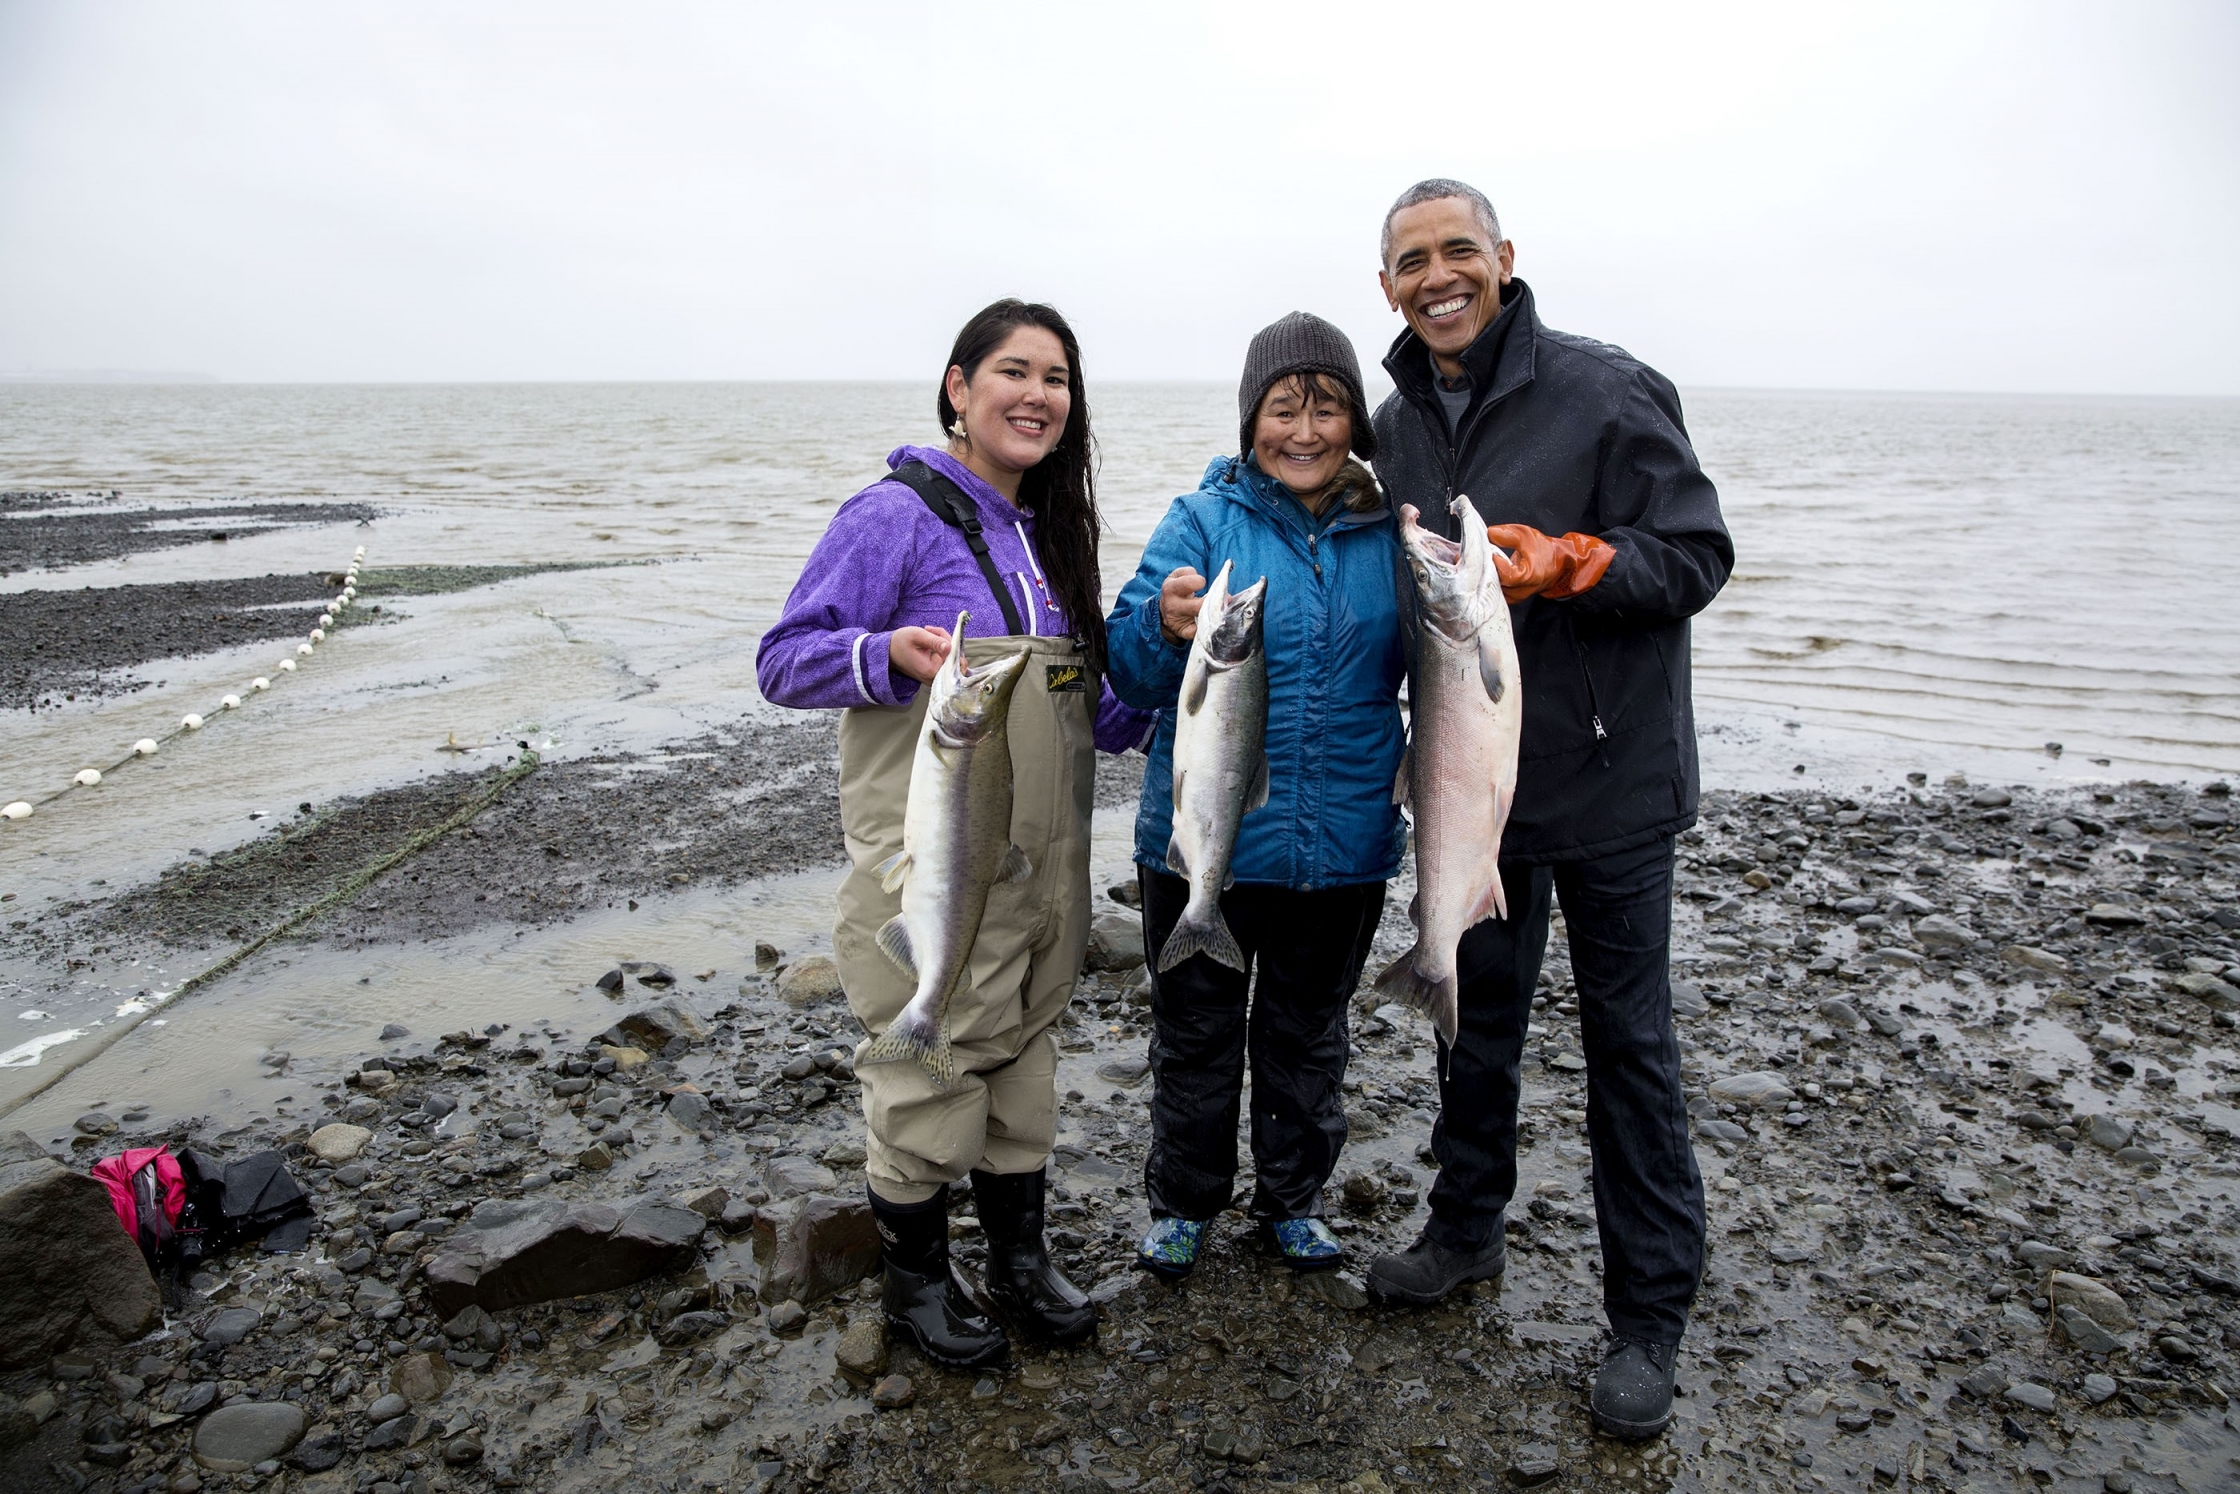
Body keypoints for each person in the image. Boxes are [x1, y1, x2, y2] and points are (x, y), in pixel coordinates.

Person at [1362, 179, 1734, 1441]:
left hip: (1615, 783)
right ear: (1387, 287)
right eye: (1411, 260)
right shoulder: (1392, 424)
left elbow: (1693, 553)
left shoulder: (1605, 388)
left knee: (1630, 1049)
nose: (1436, 275)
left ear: (1504, 259)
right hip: (1479, 789)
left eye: (1456, 249)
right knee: (1471, 1025)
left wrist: (1573, 563)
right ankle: (1462, 1231)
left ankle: (1648, 1315)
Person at [757, 299, 1153, 1368]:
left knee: (1023, 1068)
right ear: (956, 387)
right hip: (930, 871)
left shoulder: (1053, 535)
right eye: (1013, 372)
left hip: (1041, 880)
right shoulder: (892, 516)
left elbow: (1102, 719)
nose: (1037, 396)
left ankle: (1019, 1264)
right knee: (924, 1077)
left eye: (1056, 379)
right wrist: (887, 651)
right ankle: (914, 1290)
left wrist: (1177, 664)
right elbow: (782, 659)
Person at [1106, 312, 1406, 1279]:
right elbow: (1131, 670)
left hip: (1344, 845)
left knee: (1307, 1035)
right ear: (1251, 422)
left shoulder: (1393, 535)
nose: (1306, 432)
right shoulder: (1201, 521)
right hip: (1198, 847)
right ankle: (1184, 1202)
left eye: (1327, 410)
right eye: (1285, 410)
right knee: (1193, 1035)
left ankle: (1292, 1201)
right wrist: (1161, 620)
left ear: (1356, 423)